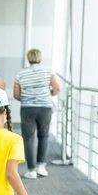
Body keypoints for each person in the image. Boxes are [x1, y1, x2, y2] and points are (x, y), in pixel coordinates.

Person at [14, 48, 61, 179]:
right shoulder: (48, 71)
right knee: (43, 136)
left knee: (28, 138)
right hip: (45, 108)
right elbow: (58, 88)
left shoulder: (20, 74)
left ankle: (31, 170)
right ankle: (41, 166)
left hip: (27, 108)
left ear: (28, 59)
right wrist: (47, 95)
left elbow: (16, 95)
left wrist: (29, 97)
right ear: (40, 59)